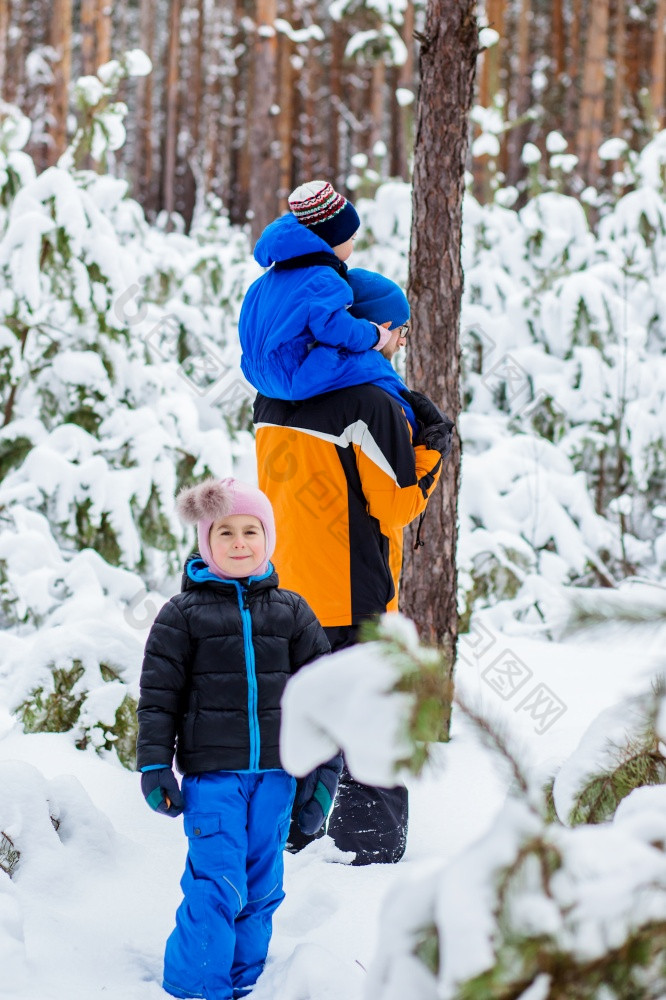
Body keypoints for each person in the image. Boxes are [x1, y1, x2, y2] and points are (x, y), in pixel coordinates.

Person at [253, 281, 454, 865]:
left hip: (282, 587)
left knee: (300, 719)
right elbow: (395, 505)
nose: (399, 339)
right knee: (369, 722)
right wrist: (432, 448)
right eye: (399, 327)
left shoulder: (270, 394)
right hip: (351, 591)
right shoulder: (372, 401)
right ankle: (365, 857)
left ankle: (289, 841)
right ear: (376, 327)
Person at [136, 477, 340, 1000]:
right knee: (216, 885)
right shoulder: (181, 616)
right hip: (213, 779)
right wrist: (155, 765)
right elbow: (159, 697)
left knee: (263, 888)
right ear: (206, 541)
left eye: (251, 530)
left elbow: (324, 702)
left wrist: (321, 783)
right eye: (225, 532)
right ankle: (198, 988)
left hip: (277, 777)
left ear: (268, 538)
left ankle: (247, 984)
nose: (240, 542)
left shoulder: (292, 613)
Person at [238, 179, 416, 430]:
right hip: (295, 377)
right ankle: (411, 416)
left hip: (256, 375)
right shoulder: (324, 280)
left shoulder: (266, 281)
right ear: (332, 240)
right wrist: (373, 333)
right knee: (372, 365)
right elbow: (334, 328)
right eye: (351, 238)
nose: (353, 245)